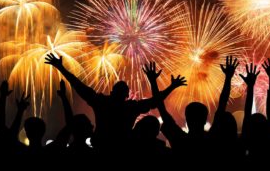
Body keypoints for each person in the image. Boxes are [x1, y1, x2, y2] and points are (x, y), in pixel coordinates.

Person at [45, 53, 184, 153]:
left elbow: (79, 86)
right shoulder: (130, 107)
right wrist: (170, 86)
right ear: (126, 96)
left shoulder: (102, 102)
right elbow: (155, 102)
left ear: (112, 92)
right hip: (123, 149)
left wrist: (61, 68)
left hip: (102, 147)